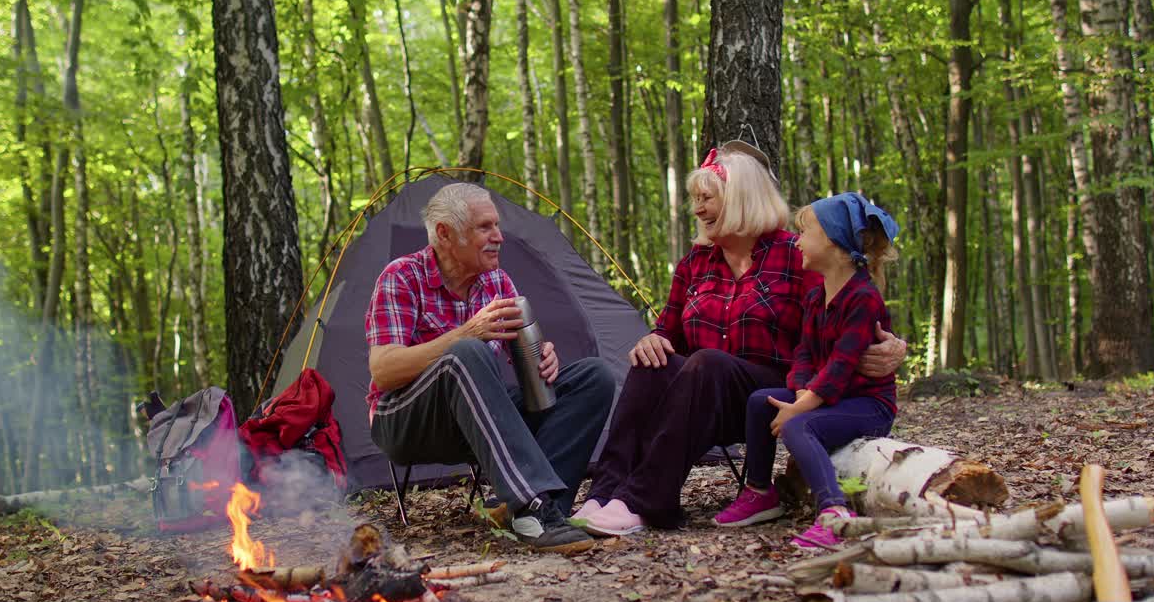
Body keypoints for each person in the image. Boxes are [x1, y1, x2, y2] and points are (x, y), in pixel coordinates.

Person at [576, 146, 905, 536]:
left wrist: (891, 346)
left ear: (741, 199)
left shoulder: (795, 256)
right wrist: (654, 339)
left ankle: (645, 500)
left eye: (706, 198)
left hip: (770, 398)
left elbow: (849, 313)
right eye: (695, 200)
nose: (697, 209)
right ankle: (605, 492)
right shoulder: (694, 263)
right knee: (653, 363)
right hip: (697, 403)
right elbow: (667, 330)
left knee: (709, 362)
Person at [365, 182, 615, 554]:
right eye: (485, 228)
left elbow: (523, 358)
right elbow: (383, 372)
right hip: (405, 420)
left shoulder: (497, 282)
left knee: (593, 378)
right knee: (466, 352)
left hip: (477, 418)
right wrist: (463, 335)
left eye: (496, 226)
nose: (498, 236)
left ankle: (544, 510)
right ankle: (530, 507)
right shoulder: (401, 276)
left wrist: (542, 357)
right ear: (446, 234)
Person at [713, 193, 899, 548]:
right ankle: (759, 492)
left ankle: (833, 512)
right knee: (759, 401)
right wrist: (800, 393)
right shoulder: (816, 297)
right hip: (828, 397)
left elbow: (843, 366)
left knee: (800, 424)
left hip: (867, 403)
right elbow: (804, 355)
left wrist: (801, 408)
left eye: (805, 232)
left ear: (830, 240)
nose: (797, 241)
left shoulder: (862, 297)